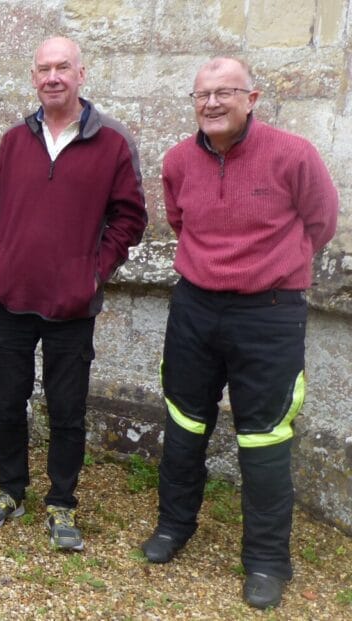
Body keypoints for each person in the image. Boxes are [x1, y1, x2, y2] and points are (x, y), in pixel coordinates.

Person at [141, 57, 338, 609]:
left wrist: (268, 267)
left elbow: (320, 221)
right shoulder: (179, 160)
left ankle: (268, 561)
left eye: (225, 92)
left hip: (269, 315)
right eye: (201, 94)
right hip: (195, 309)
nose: (211, 103)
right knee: (183, 424)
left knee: (265, 438)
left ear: (252, 98)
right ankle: (174, 528)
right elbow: (183, 223)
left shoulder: (293, 154)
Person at [0, 37, 147, 549]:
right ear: (33, 78)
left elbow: (130, 218)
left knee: (66, 408)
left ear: (81, 74)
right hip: (9, 297)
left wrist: (92, 274)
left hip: (72, 304)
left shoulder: (112, 141)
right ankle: (10, 490)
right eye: (44, 68)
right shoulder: (14, 140)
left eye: (62, 67)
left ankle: (62, 502)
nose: (53, 76)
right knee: (8, 402)